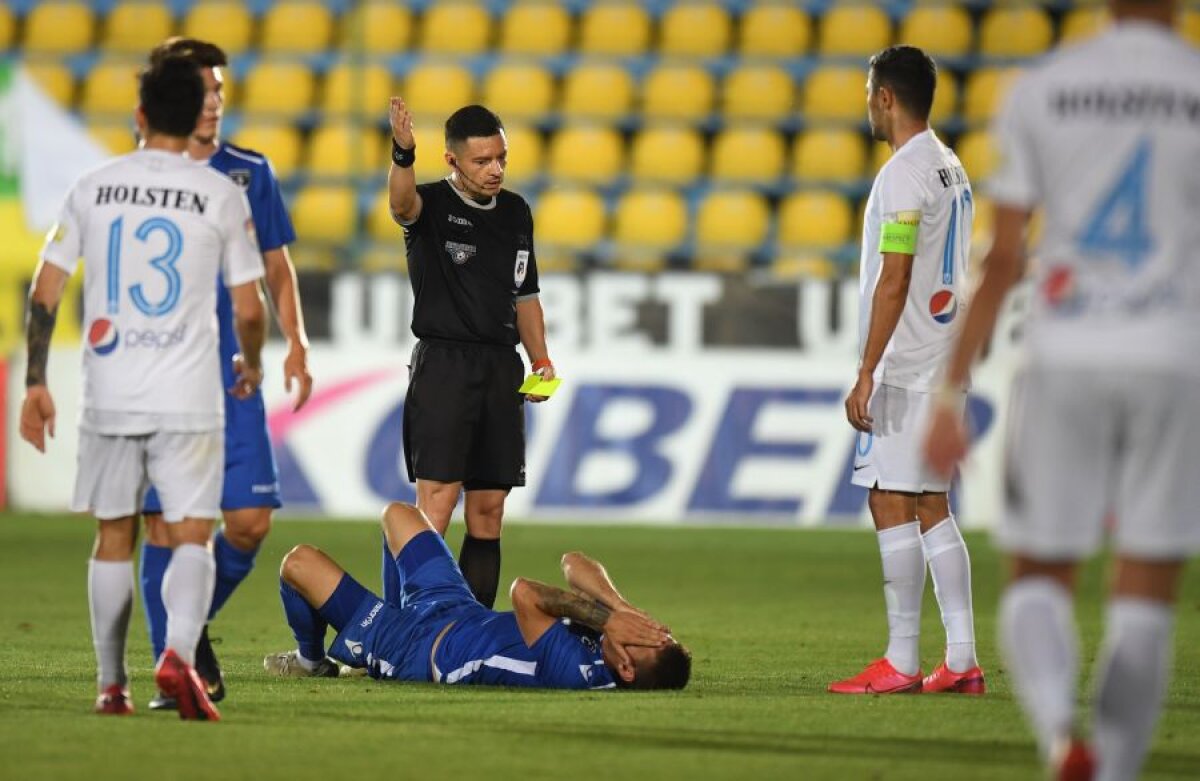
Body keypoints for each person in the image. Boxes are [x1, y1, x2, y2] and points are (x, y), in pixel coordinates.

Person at [924, 1, 1200, 776]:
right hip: (1176, 356)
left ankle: (1057, 733)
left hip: (1068, 353)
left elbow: (1003, 258)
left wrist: (950, 393)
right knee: (1145, 595)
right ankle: (1113, 768)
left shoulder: (1047, 87)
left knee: (1039, 574)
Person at [19, 56, 267, 720]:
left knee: (114, 536)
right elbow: (249, 306)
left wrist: (35, 381)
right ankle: (178, 652)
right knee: (190, 532)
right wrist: (252, 360)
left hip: (110, 392)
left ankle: (110, 682)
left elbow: (46, 288)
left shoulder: (94, 186)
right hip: (189, 395)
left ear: (139, 116)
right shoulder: (220, 193)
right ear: (195, 123)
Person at [137, 37, 313, 711]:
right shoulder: (142, 172)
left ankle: (187, 622)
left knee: (247, 522)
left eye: (220, 91)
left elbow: (275, 263)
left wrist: (295, 338)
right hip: (161, 368)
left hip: (236, 366)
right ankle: (176, 663)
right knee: (166, 522)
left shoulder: (248, 170)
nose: (214, 103)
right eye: (204, 91)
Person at [830, 45, 983, 695]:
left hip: (905, 361)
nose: (867, 104)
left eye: (870, 92)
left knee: (888, 496)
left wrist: (867, 369)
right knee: (928, 503)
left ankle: (901, 659)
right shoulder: (950, 168)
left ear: (886, 97)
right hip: (942, 359)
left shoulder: (901, 175)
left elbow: (894, 279)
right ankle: (962, 658)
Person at [386, 99, 553, 610]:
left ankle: (470, 627)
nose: (495, 169)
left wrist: (542, 361)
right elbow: (400, 206)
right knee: (434, 505)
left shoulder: (517, 212)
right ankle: (398, 629)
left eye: (501, 157)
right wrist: (402, 153)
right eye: (482, 161)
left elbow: (525, 295)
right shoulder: (430, 204)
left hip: (501, 368)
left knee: (488, 511)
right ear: (452, 162)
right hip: (445, 365)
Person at [264, 502, 691, 691]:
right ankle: (387, 614)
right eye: (658, 631)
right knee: (398, 515)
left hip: (415, 648)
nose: (647, 628)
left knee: (298, 563)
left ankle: (311, 663)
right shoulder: (620, 632)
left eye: (647, 637)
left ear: (627, 669)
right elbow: (573, 562)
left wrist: (606, 619)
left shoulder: (575, 670)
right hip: (452, 606)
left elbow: (524, 592)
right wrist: (621, 609)